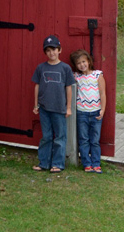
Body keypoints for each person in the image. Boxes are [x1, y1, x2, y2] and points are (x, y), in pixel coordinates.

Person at [32, 35, 75, 173]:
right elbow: (37, 86)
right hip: (44, 108)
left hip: (59, 109)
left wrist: (68, 107)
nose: (52, 53)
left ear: (60, 50)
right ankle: (44, 163)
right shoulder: (41, 68)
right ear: (45, 52)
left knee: (60, 137)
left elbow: (69, 88)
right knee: (47, 137)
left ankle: (57, 164)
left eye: (54, 49)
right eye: (49, 50)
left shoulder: (65, 68)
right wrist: (36, 104)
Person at [69, 49, 106, 173]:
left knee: (94, 140)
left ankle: (96, 163)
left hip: (96, 112)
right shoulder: (76, 76)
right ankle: (86, 164)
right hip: (82, 113)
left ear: (89, 61)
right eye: (78, 63)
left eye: (84, 61)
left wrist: (103, 109)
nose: (82, 65)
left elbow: (102, 93)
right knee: (83, 139)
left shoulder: (97, 75)